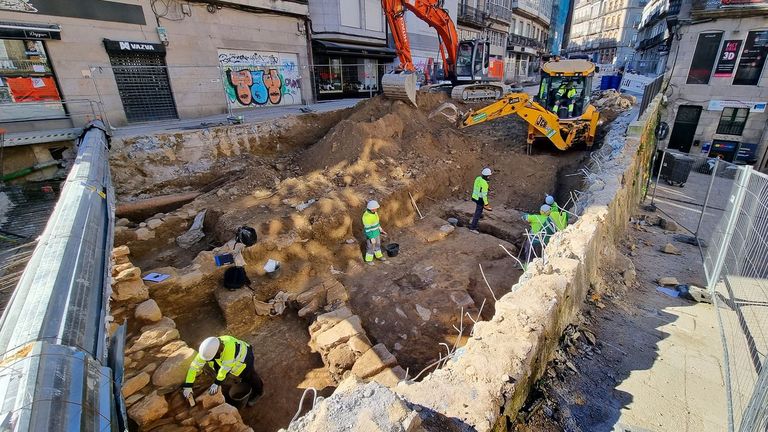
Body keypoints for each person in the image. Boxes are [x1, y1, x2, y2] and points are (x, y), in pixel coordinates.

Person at [183, 335, 263, 407]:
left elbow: (224, 369)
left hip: (245, 357)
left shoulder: (229, 349)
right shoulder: (206, 352)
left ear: (218, 351)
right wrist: (188, 385)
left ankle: (259, 392)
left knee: (250, 376)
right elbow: (194, 367)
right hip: (227, 362)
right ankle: (241, 381)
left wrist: (216, 383)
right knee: (230, 374)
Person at [362, 200, 388, 265]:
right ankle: (368, 260)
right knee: (370, 247)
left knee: (377, 245)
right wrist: (371, 237)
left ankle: (379, 256)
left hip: (376, 233)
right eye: (376, 208)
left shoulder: (375, 213)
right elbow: (367, 229)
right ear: (372, 209)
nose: (377, 209)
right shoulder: (366, 217)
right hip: (371, 235)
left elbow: (376, 222)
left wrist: (380, 229)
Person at [469, 168, 492, 233]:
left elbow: (478, 186)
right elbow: (484, 196)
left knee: (478, 210)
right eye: (489, 176)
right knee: (478, 212)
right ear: (487, 176)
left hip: (475, 196)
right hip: (480, 199)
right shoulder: (485, 184)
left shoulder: (478, 178)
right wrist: (486, 204)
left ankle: (479, 215)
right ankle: (472, 228)